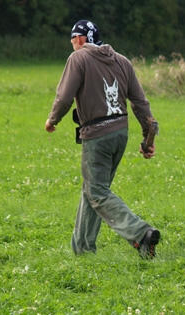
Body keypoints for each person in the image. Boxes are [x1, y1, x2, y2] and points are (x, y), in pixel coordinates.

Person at [45, 20, 160, 259]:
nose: (72, 44)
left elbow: (64, 97)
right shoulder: (122, 61)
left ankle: (141, 233)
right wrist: (147, 139)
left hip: (97, 135)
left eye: (72, 39)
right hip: (120, 133)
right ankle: (83, 249)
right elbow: (140, 103)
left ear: (80, 38)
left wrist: (53, 120)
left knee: (96, 192)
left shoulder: (78, 59)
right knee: (93, 190)